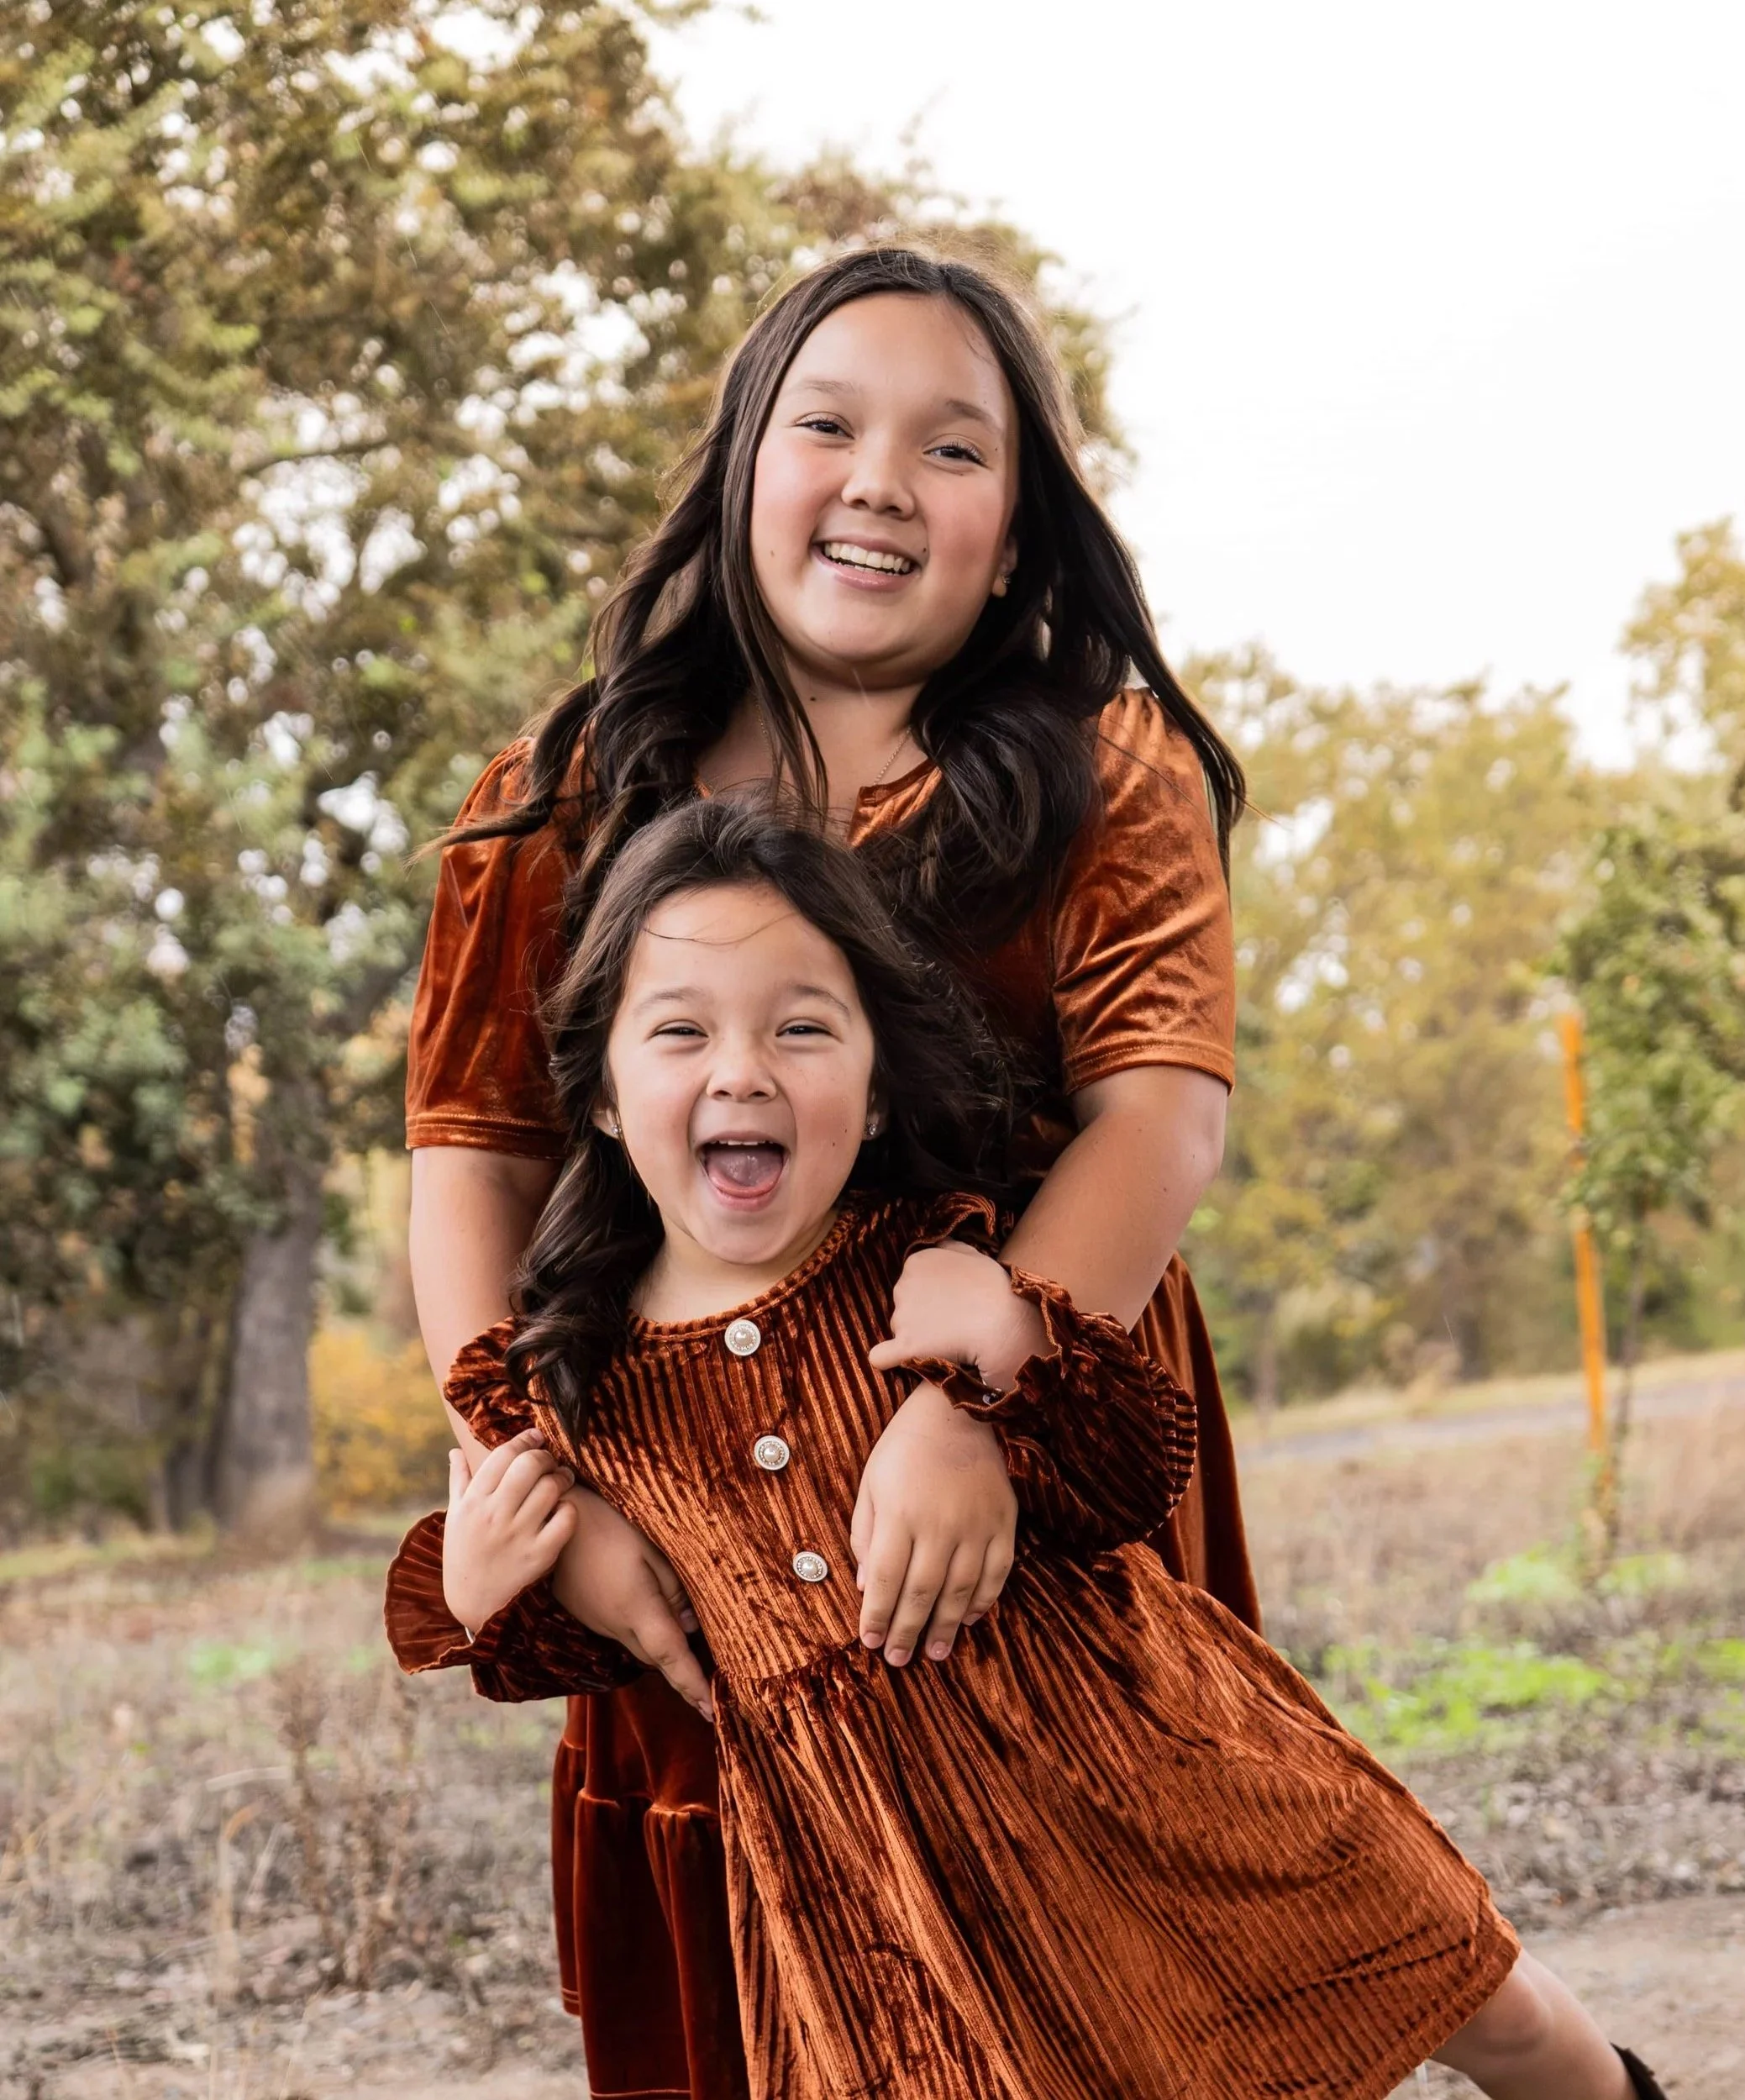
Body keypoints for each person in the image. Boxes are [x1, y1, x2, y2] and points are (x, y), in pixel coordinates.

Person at [392, 797, 1669, 2100]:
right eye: (680, 1031)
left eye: (800, 1027)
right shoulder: (577, 1388)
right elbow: (604, 1646)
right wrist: (483, 1587)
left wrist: (1008, 1347)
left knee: (1469, 1984)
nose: (742, 1070)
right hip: (883, 1899)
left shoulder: (939, 1267)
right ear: (602, 1100)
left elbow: (1123, 1479)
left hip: (1143, 1770)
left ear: (878, 1084)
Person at [392, 242, 1260, 2098]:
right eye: (829, 424)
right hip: (678, 1470)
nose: (880, 478)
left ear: (1018, 534)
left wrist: (979, 1396)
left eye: (954, 451)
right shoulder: (554, 796)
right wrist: (545, 1495)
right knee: (759, 1975)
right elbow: (470, 1158)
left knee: (1104, 1950)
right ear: (737, 470)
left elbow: (1158, 1113)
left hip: (1021, 1432)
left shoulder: (1099, 771)